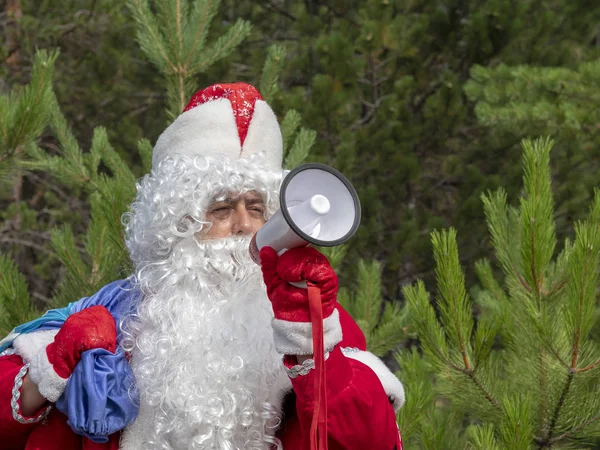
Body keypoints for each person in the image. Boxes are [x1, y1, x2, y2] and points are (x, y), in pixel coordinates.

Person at [0, 83, 405, 450]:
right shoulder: (116, 313)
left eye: (257, 208)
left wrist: (308, 345)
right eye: (223, 208)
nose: (244, 225)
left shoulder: (314, 320)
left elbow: (371, 439)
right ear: (177, 223)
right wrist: (53, 365)